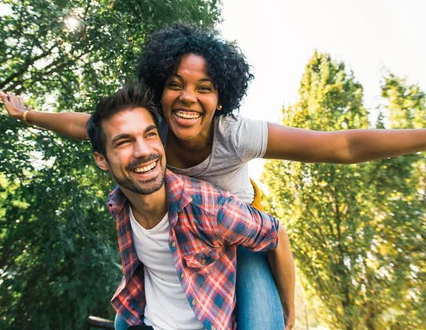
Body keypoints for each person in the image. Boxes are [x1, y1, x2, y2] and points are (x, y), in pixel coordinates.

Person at [0, 24, 426, 329]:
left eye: (205, 87)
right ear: (160, 88)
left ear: (222, 97)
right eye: (175, 84)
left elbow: (345, 145)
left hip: (242, 240)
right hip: (188, 238)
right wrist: (27, 116)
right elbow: (84, 126)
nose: (188, 98)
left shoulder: (237, 134)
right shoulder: (149, 132)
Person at [87, 83, 292, 330]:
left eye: (150, 134)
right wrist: (26, 115)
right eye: (123, 142)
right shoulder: (118, 204)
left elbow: (276, 235)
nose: (143, 151)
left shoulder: (208, 208)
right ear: (101, 160)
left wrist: (287, 311)